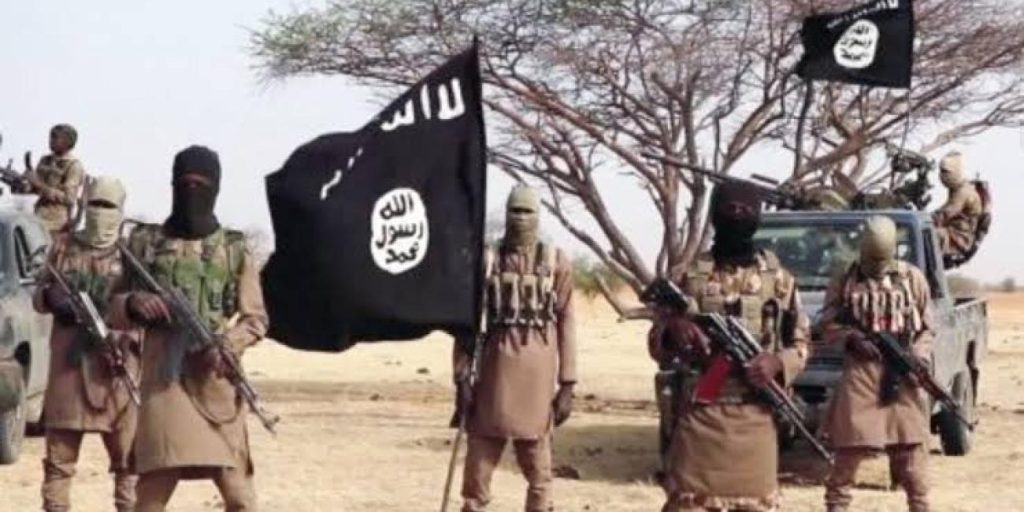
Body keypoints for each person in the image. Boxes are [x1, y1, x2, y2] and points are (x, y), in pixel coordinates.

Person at [107, 146, 267, 512]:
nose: (192, 191)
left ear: (216, 188)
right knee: (151, 496)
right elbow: (110, 308)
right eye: (185, 183)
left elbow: (256, 319)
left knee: (240, 497)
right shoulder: (145, 244)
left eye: (201, 184)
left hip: (216, 383)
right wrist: (133, 303)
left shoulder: (233, 249)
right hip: (164, 384)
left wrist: (228, 344)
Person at [651, 181, 810, 512]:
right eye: (729, 209)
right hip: (699, 416)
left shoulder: (779, 280)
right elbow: (656, 345)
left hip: (757, 415)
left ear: (757, 218)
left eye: (746, 210)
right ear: (714, 215)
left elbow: (801, 342)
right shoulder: (688, 276)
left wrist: (777, 363)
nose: (737, 216)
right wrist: (674, 329)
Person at [452, 185, 576, 512]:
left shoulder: (556, 261)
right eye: (515, 211)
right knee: (479, 462)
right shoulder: (487, 260)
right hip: (493, 372)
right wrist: (461, 378)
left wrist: (568, 383)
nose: (520, 218)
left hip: (537, 378)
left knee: (538, 468)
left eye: (527, 211)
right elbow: (465, 324)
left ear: (538, 215)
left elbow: (567, 322)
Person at [35, 176, 140, 512]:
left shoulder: (132, 256)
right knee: (58, 467)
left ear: (120, 210)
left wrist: (123, 337)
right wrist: (51, 298)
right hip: (68, 372)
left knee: (129, 467)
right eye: (94, 204)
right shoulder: (62, 247)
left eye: (108, 206)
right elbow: (38, 295)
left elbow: (144, 311)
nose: (100, 212)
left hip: (117, 375)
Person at [819, 215, 934, 512]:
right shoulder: (845, 278)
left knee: (912, 460)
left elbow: (927, 328)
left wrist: (918, 358)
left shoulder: (912, 278)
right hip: (861, 373)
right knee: (847, 454)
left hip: (903, 371)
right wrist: (852, 338)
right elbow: (827, 324)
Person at [16, 124, 86, 233]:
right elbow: (36, 189)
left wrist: (38, 183)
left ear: (67, 142)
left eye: (55, 137)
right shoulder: (45, 160)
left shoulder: (73, 165)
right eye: (51, 136)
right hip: (38, 217)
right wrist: (23, 185)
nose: (51, 140)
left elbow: (69, 198)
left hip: (57, 225)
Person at [931, 151, 983, 265]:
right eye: (941, 171)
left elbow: (946, 213)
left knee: (927, 235)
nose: (942, 175)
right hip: (952, 233)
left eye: (945, 172)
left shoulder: (963, 192)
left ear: (955, 171)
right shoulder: (957, 189)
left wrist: (925, 218)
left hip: (959, 238)